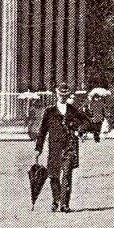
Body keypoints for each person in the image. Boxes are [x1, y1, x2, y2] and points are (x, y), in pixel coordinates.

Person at [34, 84, 97, 213]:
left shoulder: (72, 110)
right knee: (53, 175)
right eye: (60, 95)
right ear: (57, 95)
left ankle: (64, 204)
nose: (63, 97)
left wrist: (79, 131)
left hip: (69, 146)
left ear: (68, 95)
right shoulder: (49, 111)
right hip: (54, 147)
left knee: (67, 174)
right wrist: (38, 148)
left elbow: (87, 122)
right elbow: (42, 131)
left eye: (65, 95)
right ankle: (56, 199)